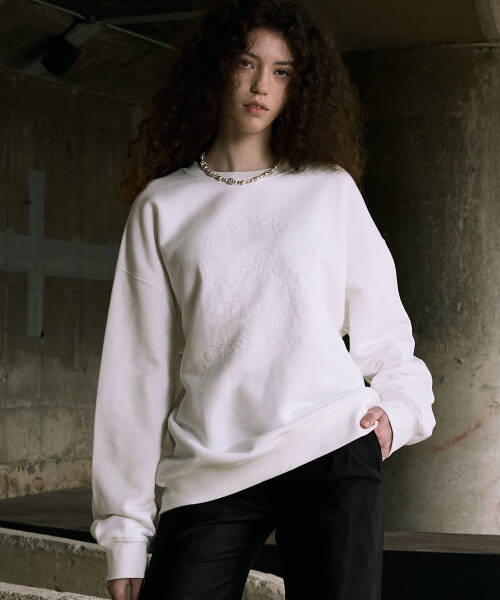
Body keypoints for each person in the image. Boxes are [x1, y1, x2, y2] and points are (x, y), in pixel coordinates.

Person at [89, 1, 436, 599]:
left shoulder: (328, 189)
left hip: (330, 445)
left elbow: (385, 332)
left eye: (282, 71)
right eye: (247, 63)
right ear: (216, 68)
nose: (261, 87)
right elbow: (137, 374)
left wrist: (399, 413)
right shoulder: (162, 206)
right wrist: (125, 533)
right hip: (210, 465)